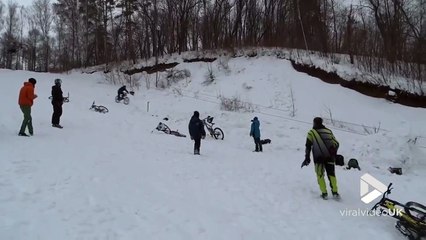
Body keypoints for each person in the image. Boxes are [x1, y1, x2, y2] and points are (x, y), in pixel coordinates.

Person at [302, 117, 340, 200]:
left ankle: (324, 193)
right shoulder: (328, 131)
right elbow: (336, 143)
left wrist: (307, 158)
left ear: (314, 123)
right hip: (329, 157)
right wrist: (333, 153)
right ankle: (335, 192)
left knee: (320, 175)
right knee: (331, 175)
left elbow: (308, 146)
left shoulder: (311, 132)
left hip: (318, 158)